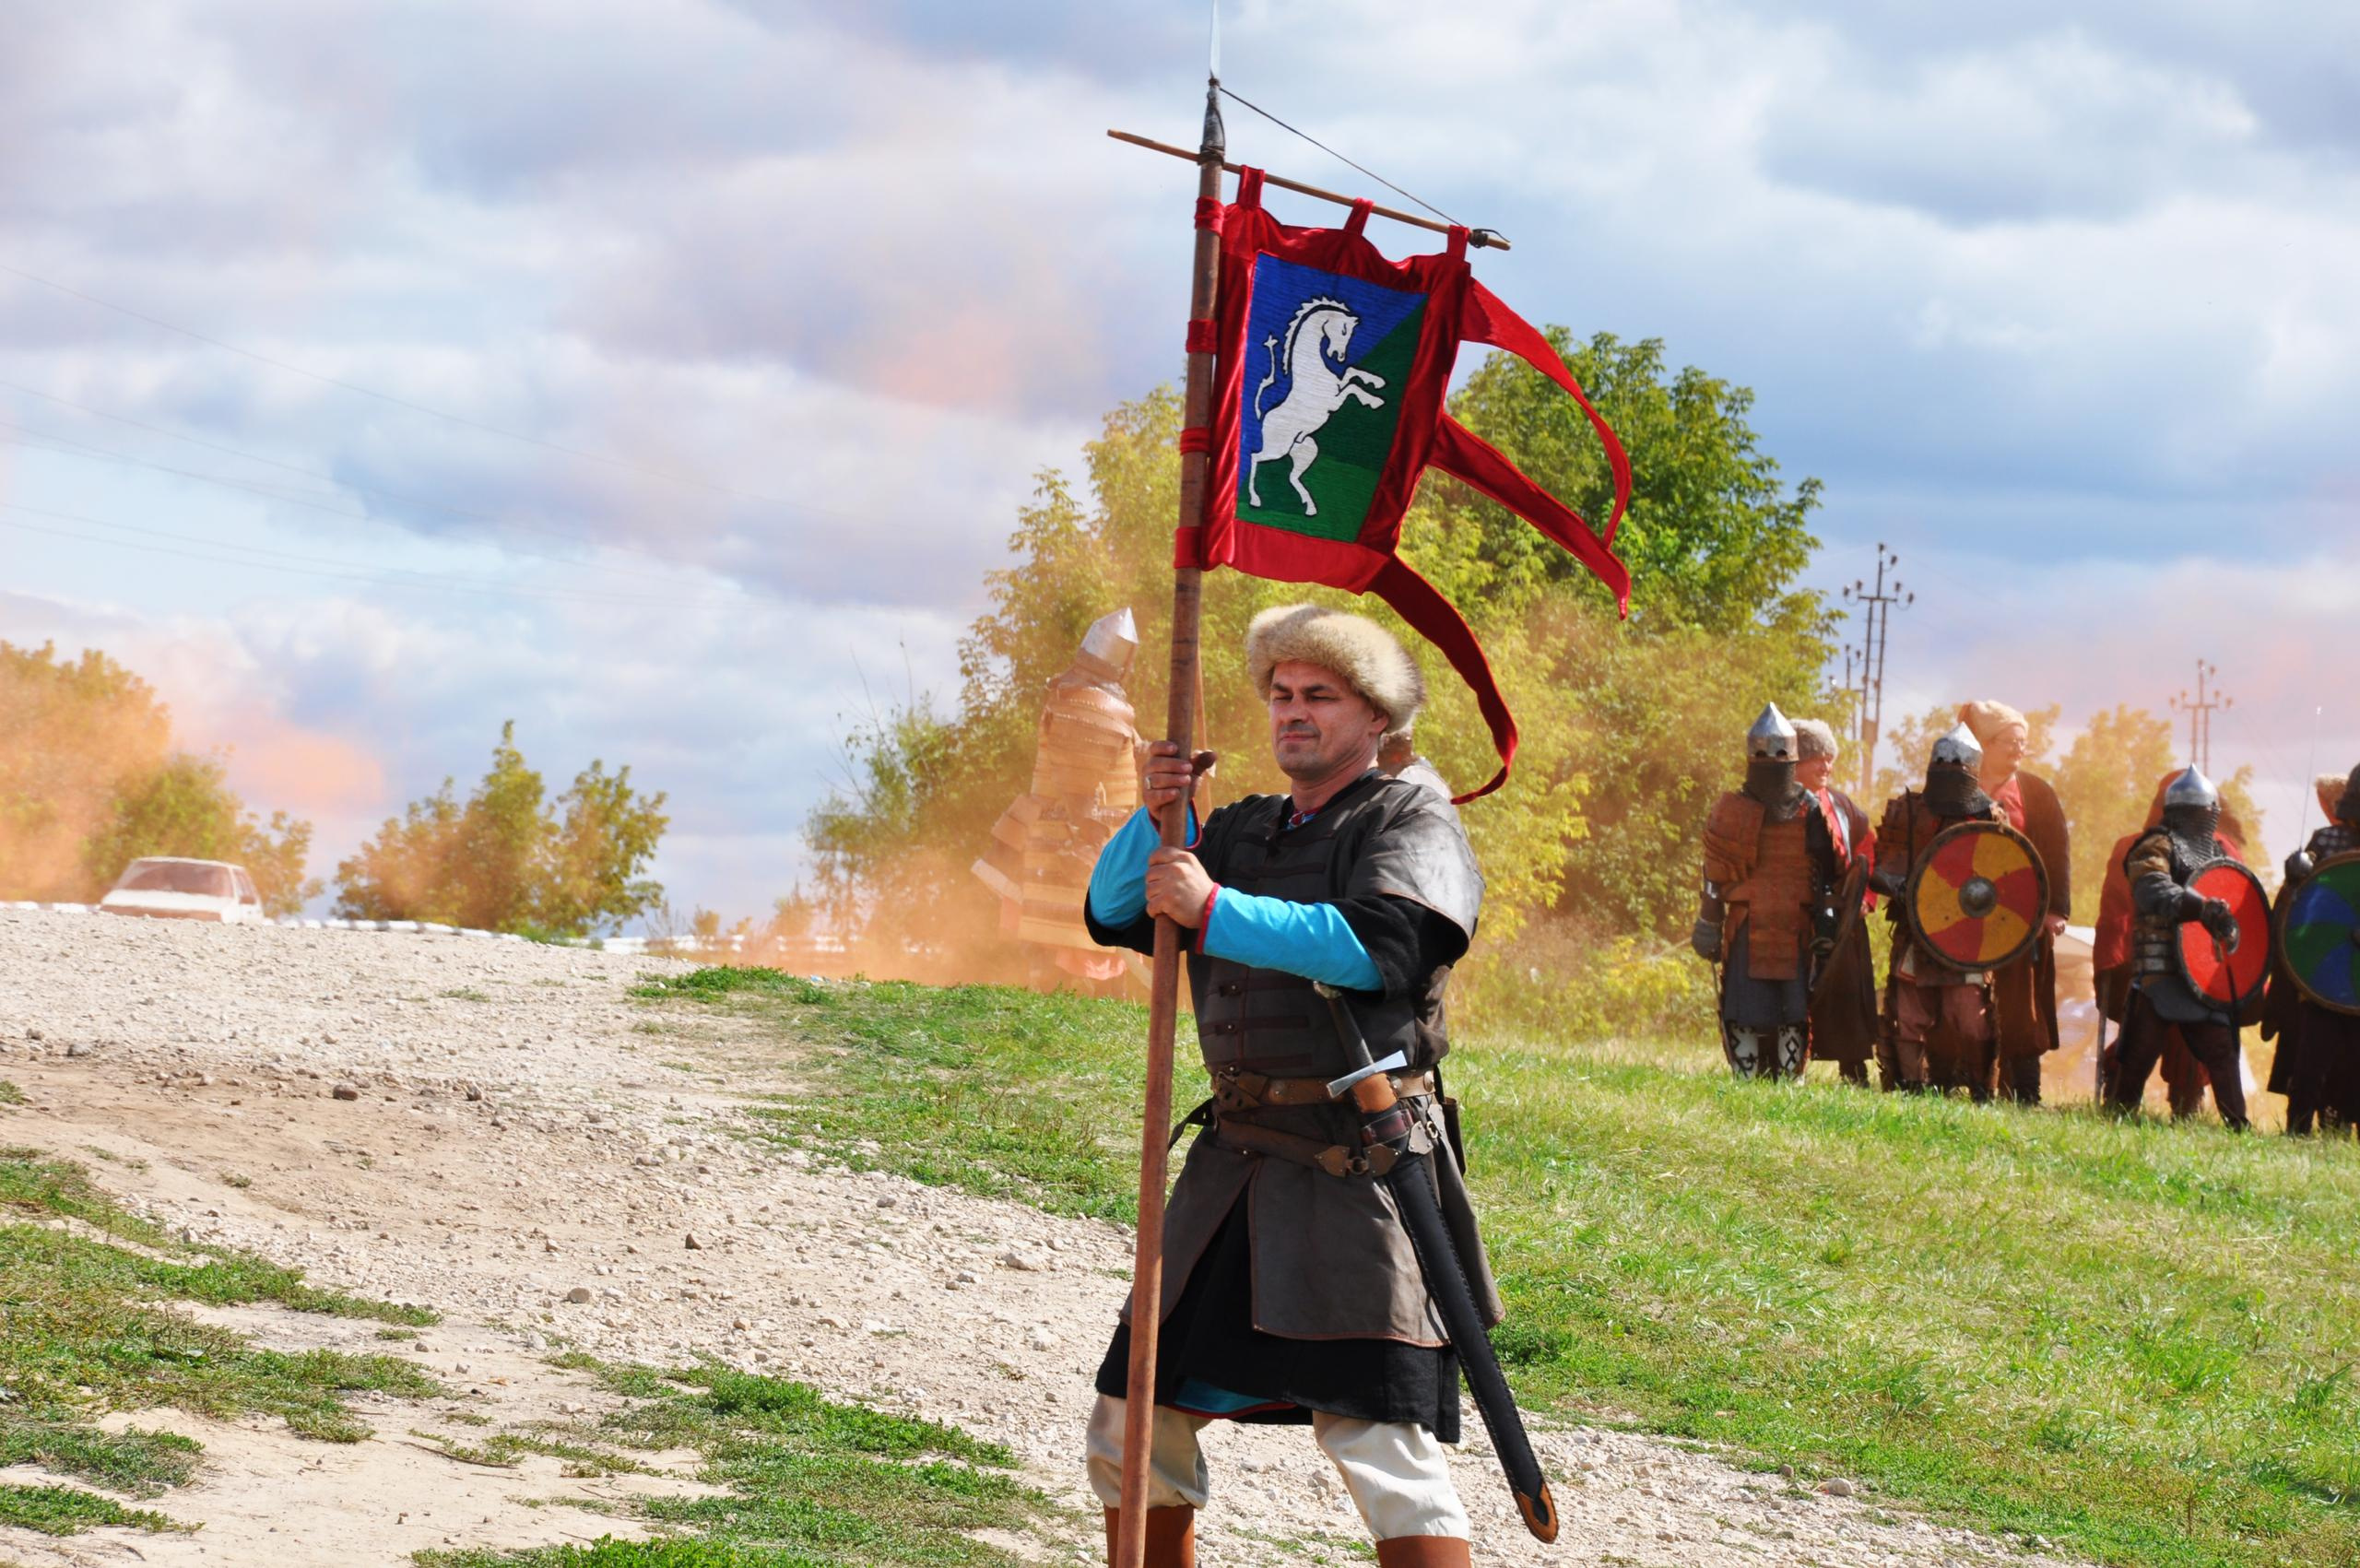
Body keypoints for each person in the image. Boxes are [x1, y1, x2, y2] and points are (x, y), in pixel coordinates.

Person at [1080, 603, 1492, 1568]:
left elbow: (1381, 948)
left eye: (1320, 696)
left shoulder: (1409, 815)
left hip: (1358, 1171)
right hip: (1235, 1174)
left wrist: (1215, 908)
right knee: (1136, 1418)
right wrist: (1159, 817)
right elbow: (1112, 913)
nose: (1293, 712)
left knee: (1379, 1439)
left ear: (1375, 715)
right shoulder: (1243, 828)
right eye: (1281, 695)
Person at [970, 607, 1144, 984]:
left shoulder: (1082, 699)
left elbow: (1119, 759)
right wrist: (1091, 845)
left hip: (1071, 835)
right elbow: (1081, 789)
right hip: (1071, 838)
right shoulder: (1091, 705)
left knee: (1072, 950)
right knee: (1068, 947)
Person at [1693, 704, 1842, 1079]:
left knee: (1792, 1005)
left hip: (1793, 924)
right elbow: (1715, 874)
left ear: (1791, 757)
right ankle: (1747, 1077)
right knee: (1744, 1003)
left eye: (1778, 754)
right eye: (1764, 754)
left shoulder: (1809, 810)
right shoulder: (1731, 809)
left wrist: (1826, 923)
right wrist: (1709, 920)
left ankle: (1788, 1081)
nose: (1771, 762)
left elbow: (1826, 875)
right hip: (1747, 920)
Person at [2096, 772, 2251, 1116]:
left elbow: (2237, 901)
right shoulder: (2155, 845)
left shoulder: (2218, 852)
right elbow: (2152, 888)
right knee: (2138, 1054)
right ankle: (2118, 1116)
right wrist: (2201, 908)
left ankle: (2239, 1127)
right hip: (2160, 968)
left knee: (2222, 1052)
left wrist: (2228, 927)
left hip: (2202, 972)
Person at [1873, 725, 2009, 1095]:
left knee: (1971, 1018)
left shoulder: (1989, 817)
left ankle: (1981, 1090)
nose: (1949, 769)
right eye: (1942, 762)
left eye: (1957, 764)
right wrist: (1898, 885)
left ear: (1972, 769)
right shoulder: (1908, 811)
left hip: (1968, 939)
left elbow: (2007, 878)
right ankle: (1910, 1086)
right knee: (1908, 1014)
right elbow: (1881, 866)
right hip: (1916, 931)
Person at [1957, 701, 2071, 1105]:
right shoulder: (1957, 784)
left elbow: (2056, 853)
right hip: (1963, 918)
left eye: (2024, 742)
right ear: (1985, 743)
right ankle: (1969, 1087)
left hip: (2022, 919)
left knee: (2022, 1010)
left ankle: (2026, 1094)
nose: (2019, 749)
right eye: (2010, 742)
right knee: (1964, 1003)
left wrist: (2055, 910)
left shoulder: (2036, 793)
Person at [2270, 765, 2360, 1134]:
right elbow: (2300, 906)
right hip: (2325, 973)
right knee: (2311, 1060)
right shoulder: (2325, 842)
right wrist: (2297, 875)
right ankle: (2298, 1130)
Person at [1793, 718, 1877, 1084]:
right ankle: (1793, 1062)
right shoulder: (1779, 805)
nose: (1825, 766)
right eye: (1815, 758)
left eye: (1829, 758)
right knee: (1794, 989)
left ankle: (1853, 1069)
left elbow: (1867, 853)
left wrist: (1865, 899)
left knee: (1847, 996)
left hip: (1842, 916)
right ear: (1795, 761)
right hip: (1793, 913)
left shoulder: (1844, 807)